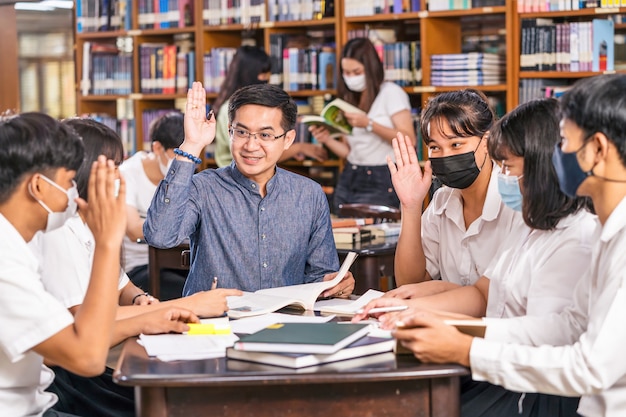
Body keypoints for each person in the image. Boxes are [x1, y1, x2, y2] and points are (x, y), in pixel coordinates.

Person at [372, 74, 626, 417]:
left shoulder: (591, 236)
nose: (557, 153)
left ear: (597, 149)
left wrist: (465, 348)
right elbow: (565, 325)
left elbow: (587, 364)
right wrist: (449, 329)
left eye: (564, 142)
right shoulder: (576, 228)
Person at [29, 118, 238, 417]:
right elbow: (83, 328)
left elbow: (119, 285)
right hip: (63, 381)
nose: (119, 175)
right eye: (111, 165)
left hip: (69, 371)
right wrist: (176, 307)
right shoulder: (59, 230)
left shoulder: (86, 220)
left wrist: (142, 301)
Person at [0, 112, 195, 417]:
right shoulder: (6, 258)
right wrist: (108, 240)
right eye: (68, 183)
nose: (73, 195)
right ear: (38, 187)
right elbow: (87, 357)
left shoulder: (15, 245)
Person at [144, 82, 355, 297]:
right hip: (217, 325)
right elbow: (160, 236)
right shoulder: (204, 188)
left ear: (288, 139)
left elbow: (321, 275)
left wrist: (336, 284)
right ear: (229, 133)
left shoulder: (309, 194)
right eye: (242, 132)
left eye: (265, 135)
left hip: (285, 323)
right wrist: (191, 144)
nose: (251, 146)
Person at [389, 89, 523, 288]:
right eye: (435, 147)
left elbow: (505, 294)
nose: (445, 155)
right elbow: (409, 283)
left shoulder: (515, 201)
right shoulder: (441, 201)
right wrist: (411, 207)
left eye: (456, 144)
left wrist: (442, 290)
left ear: (487, 142)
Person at [308, 37, 416, 213]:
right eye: (346, 72)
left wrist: (369, 124)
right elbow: (350, 152)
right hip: (351, 175)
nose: (350, 78)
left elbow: (408, 140)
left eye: (356, 72)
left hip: (381, 177)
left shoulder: (391, 93)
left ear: (371, 69)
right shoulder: (349, 98)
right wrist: (326, 139)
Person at [213, 45, 327, 167]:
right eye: (262, 74)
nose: (266, 78)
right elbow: (250, 153)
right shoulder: (231, 109)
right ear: (248, 74)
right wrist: (298, 148)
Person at [119, 111, 189, 300]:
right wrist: (169, 225)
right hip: (141, 266)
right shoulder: (127, 174)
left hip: (180, 259)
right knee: (189, 292)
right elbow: (133, 230)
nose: (183, 162)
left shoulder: (185, 174)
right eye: (178, 155)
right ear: (157, 148)